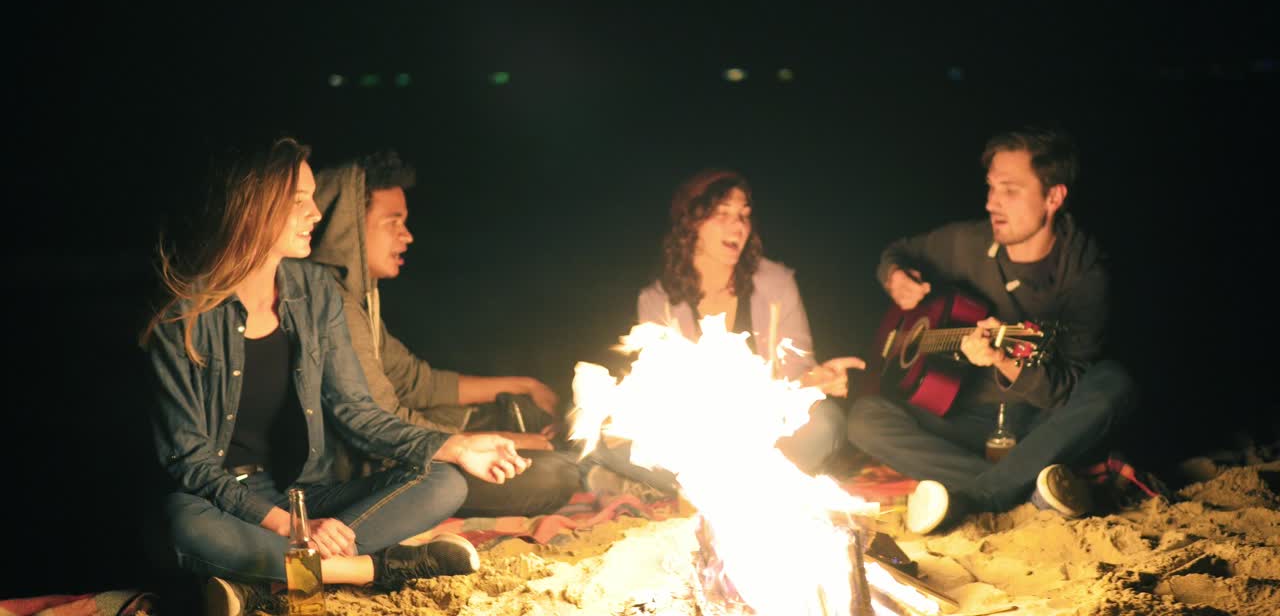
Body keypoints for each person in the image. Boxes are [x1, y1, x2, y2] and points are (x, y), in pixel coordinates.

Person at [141, 137, 530, 616]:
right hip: (225, 503)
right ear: (252, 208)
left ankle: (261, 586)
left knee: (445, 480)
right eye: (299, 201)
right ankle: (374, 569)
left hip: (306, 491)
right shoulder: (183, 318)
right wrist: (291, 528)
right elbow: (191, 463)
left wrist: (455, 445)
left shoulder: (316, 291)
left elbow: (356, 410)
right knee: (181, 521)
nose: (316, 214)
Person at [846, 127, 1136, 535]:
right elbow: (897, 253)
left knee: (1115, 383)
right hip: (965, 417)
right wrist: (895, 277)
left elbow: (1067, 387)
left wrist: (1004, 360)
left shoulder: (1085, 272)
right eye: (991, 187)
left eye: (1011, 191)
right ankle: (1021, 485)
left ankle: (985, 496)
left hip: (1039, 423)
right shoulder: (965, 243)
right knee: (864, 419)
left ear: (1053, 198)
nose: (991, 203)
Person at [309, 150, 581, 517]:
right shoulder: (331, 303)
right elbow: (381, 422)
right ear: (350, 227)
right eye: (393, 222)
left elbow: (415, 381)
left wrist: (523, 385)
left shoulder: (361, 299)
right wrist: (511, 442)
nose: (407, 236)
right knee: (556, 475)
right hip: (371, 470)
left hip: (407, 449)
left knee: (530, 419)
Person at [622, 168, 863, 483]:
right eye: (722, 214)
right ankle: (741, 482)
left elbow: (796, 369)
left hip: (769, 430)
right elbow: (662, 394)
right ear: (690, 224)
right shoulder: (657, 301)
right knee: (619, 438)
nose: (737, 226)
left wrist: (815, 378)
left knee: (825, 425)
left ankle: (723, 485)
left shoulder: (777, 285)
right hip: (698, 438)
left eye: (744, 215)